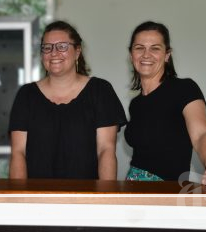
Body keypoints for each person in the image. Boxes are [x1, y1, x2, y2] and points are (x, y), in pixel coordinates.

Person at [9, 20, 127, 179]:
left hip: (87, 198)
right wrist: (20, 198)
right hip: (36, 198)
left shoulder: (100, 91)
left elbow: (106, 150)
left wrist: (105, 198)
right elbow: (18, 153)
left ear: (77, 51)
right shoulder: (26, 95)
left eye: (62, 46)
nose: (54, 53)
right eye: (47, 47)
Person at [124, 21, 206, 188]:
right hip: (133, 188)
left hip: (169, 192)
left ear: (167, 55)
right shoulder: (136, 103)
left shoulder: (184, 89)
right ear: (131, 55)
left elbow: (202, 134)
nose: (146, 54)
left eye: (155, 48)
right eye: (139, 48)